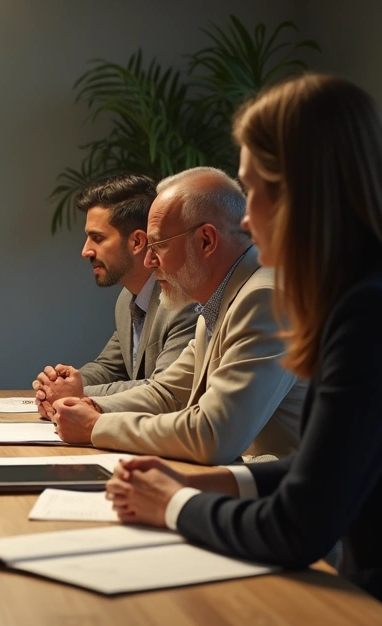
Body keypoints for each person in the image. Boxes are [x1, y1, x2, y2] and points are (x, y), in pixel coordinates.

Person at [105, 74, 382, 626]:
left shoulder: (376, 314)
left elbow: (298, 528)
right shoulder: (381, 296)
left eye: (253, 189)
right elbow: (328, 466)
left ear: (304, 192)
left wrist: (172, 504)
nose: (245, 216)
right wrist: (219, 485)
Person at [52, 168, 306, 464]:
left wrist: (95, 426)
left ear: (206, 241)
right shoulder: (220, 301)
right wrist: (88, 406)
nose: (148, 260)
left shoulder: (263, 299)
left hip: (283, 499)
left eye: (158, 244)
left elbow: (215, 435)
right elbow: (168, 394)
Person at [32, 174, 198, 418]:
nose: (85, 250)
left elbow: (165, 390)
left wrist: (78, 394)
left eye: (97, 238)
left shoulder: (183, 301)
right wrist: (58, 384)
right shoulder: (126, 299)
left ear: (137, 241)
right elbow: (108, 367)